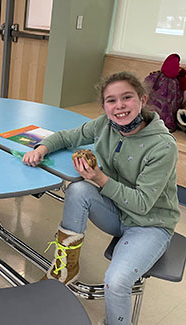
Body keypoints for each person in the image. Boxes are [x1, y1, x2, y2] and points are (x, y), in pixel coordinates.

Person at [23, 71, 180, 325]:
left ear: (142, 98)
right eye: (111, 100)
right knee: (77, 189)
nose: (119, 106)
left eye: (127, 97)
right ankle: (66, 268)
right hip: (118, 212)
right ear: (104, 106)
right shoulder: (104, 125)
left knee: (116, 282)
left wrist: (99, 178)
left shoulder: (162, 146)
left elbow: (142, 204)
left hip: (149, 224)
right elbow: (67, 137)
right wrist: (41, 148)